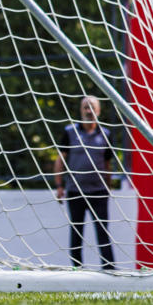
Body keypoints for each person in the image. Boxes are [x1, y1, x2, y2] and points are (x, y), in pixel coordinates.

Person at [53, 96, 120, 271]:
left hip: (98, 192)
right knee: (76, 232)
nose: (89, 111)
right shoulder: (70, 132)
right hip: (75, 191)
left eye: (92, 107)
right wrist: (59, 185)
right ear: (81, 110)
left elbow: (107, 163)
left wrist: (108, 185)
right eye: (85, 107)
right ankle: (77, 269)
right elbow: (60, 159)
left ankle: (110, 269)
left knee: (103, 232)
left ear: (99, 111)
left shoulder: (105, 134)